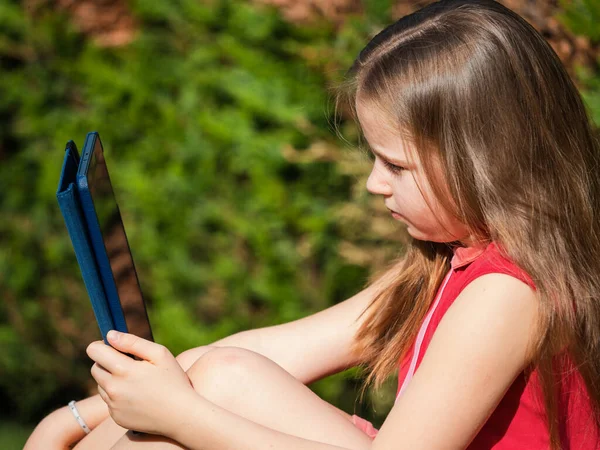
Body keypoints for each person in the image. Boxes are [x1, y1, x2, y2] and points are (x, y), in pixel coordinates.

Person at [25, 0, 600, 448]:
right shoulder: (449, 263)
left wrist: (182, 416)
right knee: (227, 374)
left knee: (207, 400)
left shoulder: (505, 294)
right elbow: (263, 353)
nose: (375, 183)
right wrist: (74, 417)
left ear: (486, 158)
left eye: (396, 165)